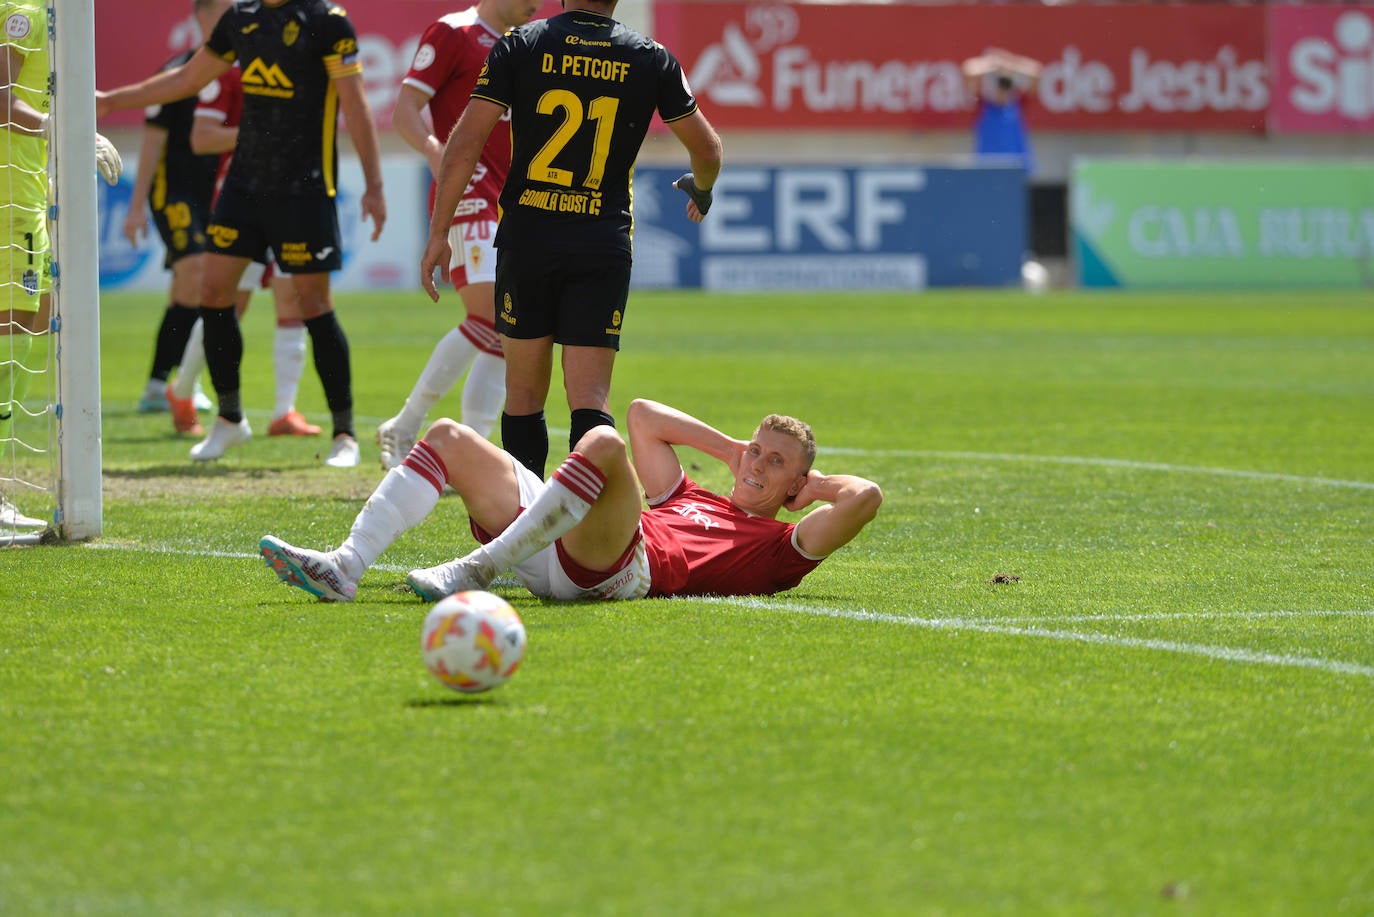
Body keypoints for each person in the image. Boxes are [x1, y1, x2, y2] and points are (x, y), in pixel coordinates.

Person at [419, 0, 723, 480]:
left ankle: (521, 524)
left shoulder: (520, 43)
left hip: (528, 239)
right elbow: (707, 149)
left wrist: (439, 233)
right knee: (589, 401)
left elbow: (464, 145)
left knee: (522, 396)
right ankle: (583, 527)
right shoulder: (650, 56)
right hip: (601, 242)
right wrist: (700, 190)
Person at [96, 0, 387, 467]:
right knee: (214, 293)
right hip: (243, 186)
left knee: (314, 305)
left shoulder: (327, 22)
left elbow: (355, 103)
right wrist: (111, 100)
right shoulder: (241, 18)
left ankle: (344, 434)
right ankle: (230, 420)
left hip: (305, 188)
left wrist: (374, 186)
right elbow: (187, 78)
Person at [259, 398, 883, 604]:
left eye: (776, 463)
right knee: (449, 436)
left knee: (604, 442)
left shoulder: (780, 546)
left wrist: (813, 486)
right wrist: (730, 449)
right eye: (757, 450)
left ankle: (477, 570)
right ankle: (345, 567)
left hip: (616, 570)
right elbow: (647, 415)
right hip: (554, 542)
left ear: (796, 486)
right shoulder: (692, 491)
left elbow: (866, 498)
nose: (756, 463)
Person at [376, 0, 541, 470]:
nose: (536, 5)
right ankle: (406, 424)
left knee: (509, 328)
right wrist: (437, 155)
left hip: (516, 197)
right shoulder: (454, 33)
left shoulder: (523, 43)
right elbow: (406, 109)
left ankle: (470, 452)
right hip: (470, 189)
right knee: (489, 316)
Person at [1, 0, 122, 529]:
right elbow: (3, 101)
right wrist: (62, 129)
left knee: (36, 317)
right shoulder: (19, 9)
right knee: (13, 327)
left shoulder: (48, 11)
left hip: (27, 191)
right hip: (10, 198)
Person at [164, 60, 323, 439]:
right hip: (242, 201)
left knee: (294, 300)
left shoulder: (304, 70)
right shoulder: (228, 75)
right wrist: (264, 135)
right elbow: (202, 138)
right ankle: (181, 390)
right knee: (229, 306)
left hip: (293, 196)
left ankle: (284, 412)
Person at [124, 0, 228, 420]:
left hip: (217, 196)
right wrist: (135, 208)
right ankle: (175, 384)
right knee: (197, 272)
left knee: (192, 289)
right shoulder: (175, 74)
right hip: (174, 192)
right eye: (224, 11)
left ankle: (164, 384)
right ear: (202, 18)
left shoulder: (235, 71)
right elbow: (151, 143)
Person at [961, 47, 1042, 176]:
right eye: (999, 85)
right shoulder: (982, 105)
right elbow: (969, 71)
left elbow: (1036, 71)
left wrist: (1010, 64)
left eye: (1006, 85)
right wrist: (993, 63)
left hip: (1015, 169)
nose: (1002, 90)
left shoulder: (1019, 104)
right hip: (987, 169)